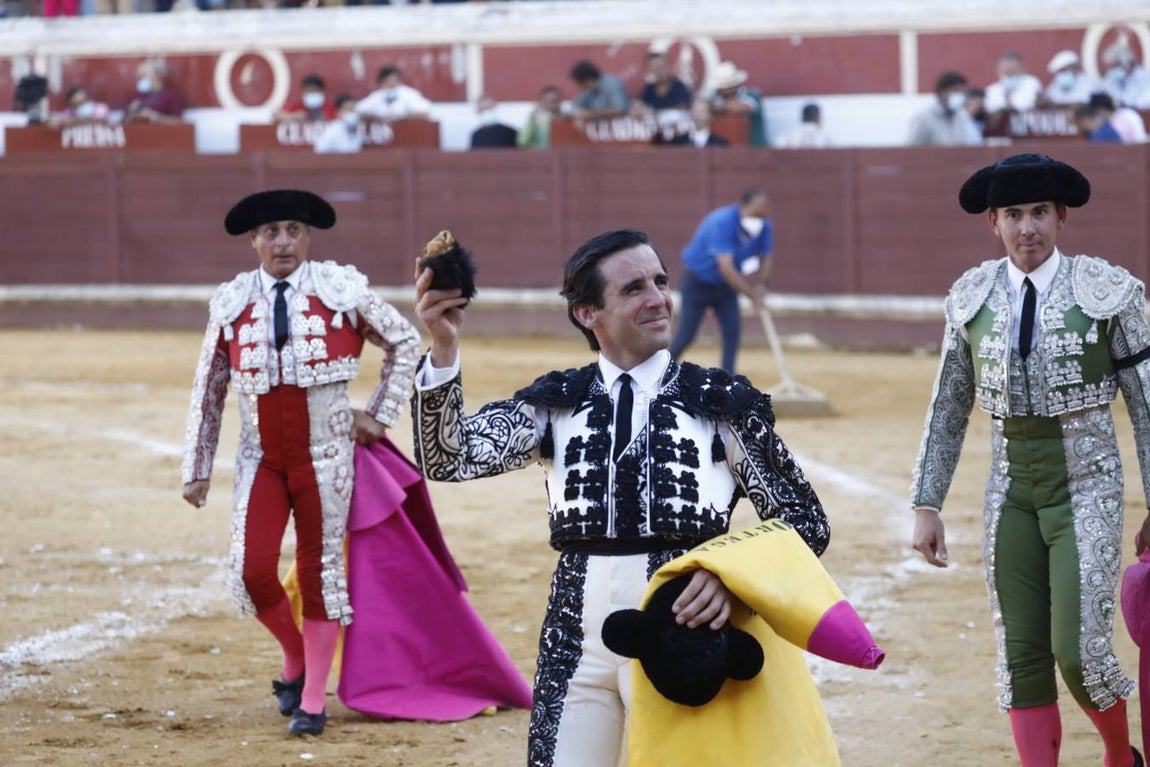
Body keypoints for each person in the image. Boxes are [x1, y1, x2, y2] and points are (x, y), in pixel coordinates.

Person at [412, 227, 829, 767]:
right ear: (588, 314)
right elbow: (448, 458)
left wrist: (734, 581)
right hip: (573, 638)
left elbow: (805, 520)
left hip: (685, 635)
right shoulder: (555, 403)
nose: (658, 299)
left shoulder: (720, 403)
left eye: (660, 281)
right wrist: (444, 346)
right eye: (634, 288)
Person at [910, 153, 1150, 767]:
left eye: (1039, 212)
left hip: (1088, 487)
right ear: (993, 222)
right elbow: (948, 406)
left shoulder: (1108, 293)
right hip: (1010, 493)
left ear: (1061, 216)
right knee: (1020, 656)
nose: (1027, 229)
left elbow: (1149, 406)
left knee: (1080, 651)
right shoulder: (971, 297)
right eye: (1013, 215)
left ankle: (1121, 757)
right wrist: (926, 502)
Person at [180, 189, 421, 737]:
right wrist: (196, 465)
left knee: (320, 575)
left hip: (327, 456)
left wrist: (380, 414)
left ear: (308, 237)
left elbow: (404, 342)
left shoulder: (340, 290)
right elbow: (210, 387)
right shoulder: (232, 300)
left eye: (292, 230)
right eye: (271, 232)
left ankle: (313, 698)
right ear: (254, 240)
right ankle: (296, 657)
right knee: (250, 570)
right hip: (261, 459)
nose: (282, 241)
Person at [667, 188, 772, 374]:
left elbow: (766, 256)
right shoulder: (722, 221)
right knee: (686, 333)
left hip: (725, 288)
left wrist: (763, 283)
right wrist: (752, 295)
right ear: (744, 206)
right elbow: (726, 267)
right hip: (697, 281)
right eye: (758, 209)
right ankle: (661, 372)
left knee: (732, 333)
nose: (762, 214)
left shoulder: (765, 225)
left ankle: (727, 380)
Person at [907, 71, 982, 146]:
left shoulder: (961, 117)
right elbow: (911, 149)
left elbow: (974, 143)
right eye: (955, 91)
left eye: (962, 92)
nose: (959, 96)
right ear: (942, 92)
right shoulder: (925, 118)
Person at [705, 60, 767, 146]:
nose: (719, 90)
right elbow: (705, 108)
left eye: (723, 88)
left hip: (753, 148)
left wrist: (718, 109)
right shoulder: (716, 99)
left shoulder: (752, 95)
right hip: (723, 149)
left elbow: (738, 108)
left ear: (733, 87)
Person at [634, 50, 692, 128]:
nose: (660, 71)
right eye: (655, 69)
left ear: (668, 66)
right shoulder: (649, 89)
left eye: (661, 67)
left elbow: (683, 108)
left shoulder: (678, 86)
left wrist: (654, 113)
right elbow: (641, 105)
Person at [355, 65, 432, 123]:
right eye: (387, 81)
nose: (392, 84)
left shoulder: (409, 94)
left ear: (399, 81)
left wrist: (402, 118)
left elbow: (425, 114)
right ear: (381, 82)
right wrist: (380, 118)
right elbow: (358, 111)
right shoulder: (377, 95)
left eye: (394, 81)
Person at [124, 60, 184, 125]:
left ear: (157, 76)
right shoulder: (137, 96)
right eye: (139, 77)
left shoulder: (170, 96)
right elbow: (124, 122)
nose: (140, 80)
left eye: (143, 76)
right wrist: (132, 114)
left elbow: (179, 122)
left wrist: (153, 116)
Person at [1102, 39, 1150, 110]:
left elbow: (1144, 104)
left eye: (1115, 66)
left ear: (1128, 63)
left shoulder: (1145, 78)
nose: (1111, 71)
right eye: (1109, 67)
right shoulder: (1110, 79)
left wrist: (1123, 103)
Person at [662, 97, 729, 147]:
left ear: (711, 116)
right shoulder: (679, 141)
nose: (697, 114)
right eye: (695, 110)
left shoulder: (719, 143)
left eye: (702, 111)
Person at [517, 85, 565, 149]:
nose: (550, 105)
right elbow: (522, 142)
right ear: (540, 102)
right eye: (546, 101)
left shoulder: (567, 120)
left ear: (560, 102)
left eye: (554, 101)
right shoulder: (535, 121)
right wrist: (532, 122)